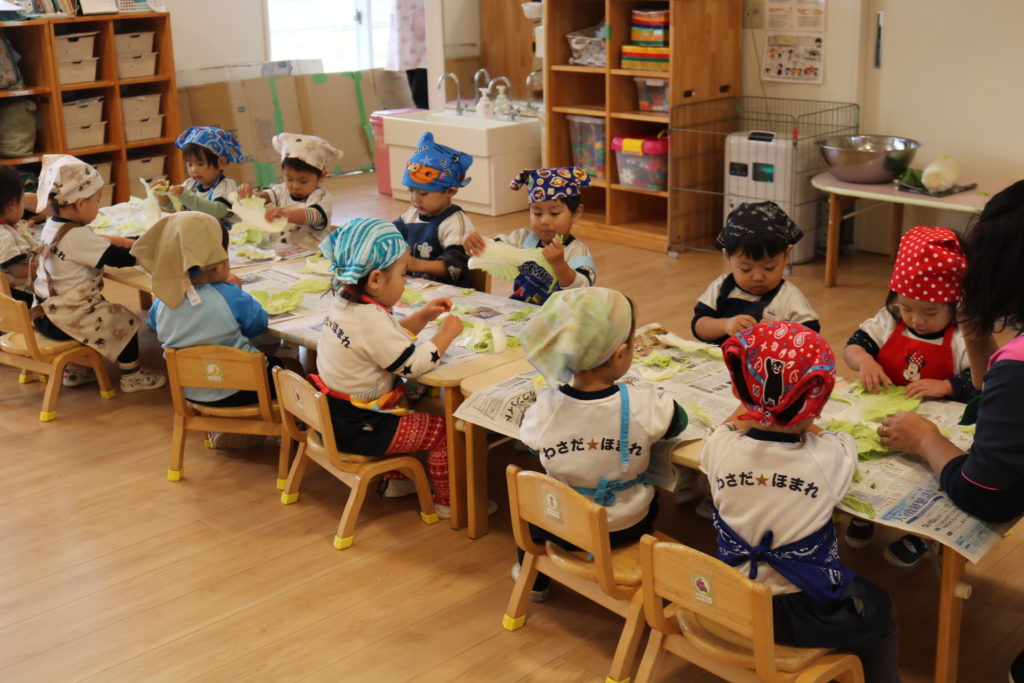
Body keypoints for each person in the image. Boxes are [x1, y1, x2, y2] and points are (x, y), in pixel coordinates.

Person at [701, 321, 899, 683]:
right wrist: (802, 419)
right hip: (801, 612)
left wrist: (757, 406)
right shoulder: (826, 457)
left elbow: (728, 426)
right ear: (818, 398)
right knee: (881, 606)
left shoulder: (719, 447)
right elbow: (843, 443)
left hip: (731, 598)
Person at [514, 287, 688, 600]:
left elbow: (531, 444)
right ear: (620, 354)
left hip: (562, 525)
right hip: (625, 526)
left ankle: (535, 584)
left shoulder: (548, 406)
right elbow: (679, 421)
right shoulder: (641, 404)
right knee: (652, 500)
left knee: (530, 518)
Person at [309, 218, 464, 516]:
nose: (405, 281)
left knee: (400, 398)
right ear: (376, 280)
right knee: (443, 433)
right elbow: (413, 365)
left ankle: (398, 483)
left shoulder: (345, 302)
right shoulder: (369, 319)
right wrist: (446, 334)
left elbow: (385, 344)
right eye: (403, 274)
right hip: (362, 426)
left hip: (336, 415)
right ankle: (448, 504)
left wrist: (422, 317)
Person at [843, 225, 977, 565]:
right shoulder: (888, 321)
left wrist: (948, 386)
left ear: (956, 304)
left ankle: (923, 535)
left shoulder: (963, 338)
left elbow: (980, 381)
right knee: (868, 460)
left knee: (931, 475)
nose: (917, 320)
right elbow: (854, 347)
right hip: (888, 416)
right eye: (907, 308)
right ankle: (864, 512)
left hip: (937, 426)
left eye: (931, 313)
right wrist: (865, 361)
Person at [32, 155, 165, 392]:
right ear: (80, 204)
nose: (98, 206)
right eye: (97, 201)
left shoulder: (53, 225)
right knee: (123, 320)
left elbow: (97, 243)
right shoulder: (77, 235)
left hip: (44, 313)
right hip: (64, 318)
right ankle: (132, 377)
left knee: (99, 310)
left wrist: (127, 242)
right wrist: (147, 252)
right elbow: (117, 258)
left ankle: (77, 370)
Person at [136, 212, 272, 407]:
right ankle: (291, 420)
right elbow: (258, 325)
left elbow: (154, 325)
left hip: (190, 389)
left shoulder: (162, 301)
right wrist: (237, 292)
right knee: (290, 366)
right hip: (243, 387)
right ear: (218, 266)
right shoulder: (230, 296)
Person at [463, 167, 596, 305]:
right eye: (537, 213)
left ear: (576, 213)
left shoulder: (577, 252)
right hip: (522, 308)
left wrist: (560, 265)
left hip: (561, 315)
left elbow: (581, 289)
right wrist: (472, 240)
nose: (544, 221)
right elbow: (491, 248)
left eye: (554, 213)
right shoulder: (522, 239)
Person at [692, 201, 819, 345]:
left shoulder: (789, 297)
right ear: (727, 256)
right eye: (745, 269)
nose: (758, 277)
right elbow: (699, 326)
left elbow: (811, 339)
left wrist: (779, 332)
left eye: (769, 267)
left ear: (786, 255)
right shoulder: (721, 287)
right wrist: (725, 325)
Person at [393, 131, 475, 286]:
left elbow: (457, 267)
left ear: (450, 192)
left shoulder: (455, 222)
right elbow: (389, 234)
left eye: (423, 193)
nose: (415, 199)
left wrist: (416, 264)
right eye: (411, 190)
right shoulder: (411, 215)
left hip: (448, 294)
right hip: (417, 289)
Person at [238, 132, 342, 251]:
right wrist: (251, 196)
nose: (295, 186)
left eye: (303, 181)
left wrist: (285, 214)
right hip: (282, 251)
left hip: (312, 251)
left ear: (322, 176)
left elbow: (312, 215)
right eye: (289, 179)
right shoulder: (282, 190)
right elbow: (264, 197)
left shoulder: (320, 197)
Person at [162, 126, 245, 232]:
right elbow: (170, 205)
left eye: (200, 164)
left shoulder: (226, 186)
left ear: (220, 163)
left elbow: (216, 211)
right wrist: (161, 193)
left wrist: (185, 196)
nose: (194, 170)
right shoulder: (190, 184)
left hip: (228, 236)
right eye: (190, 164)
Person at [0, 164, 39, 304]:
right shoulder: (8, 236)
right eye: (22, 200)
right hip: (20, 297)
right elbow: (20, 270)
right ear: (12, 204)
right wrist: (51, 267)